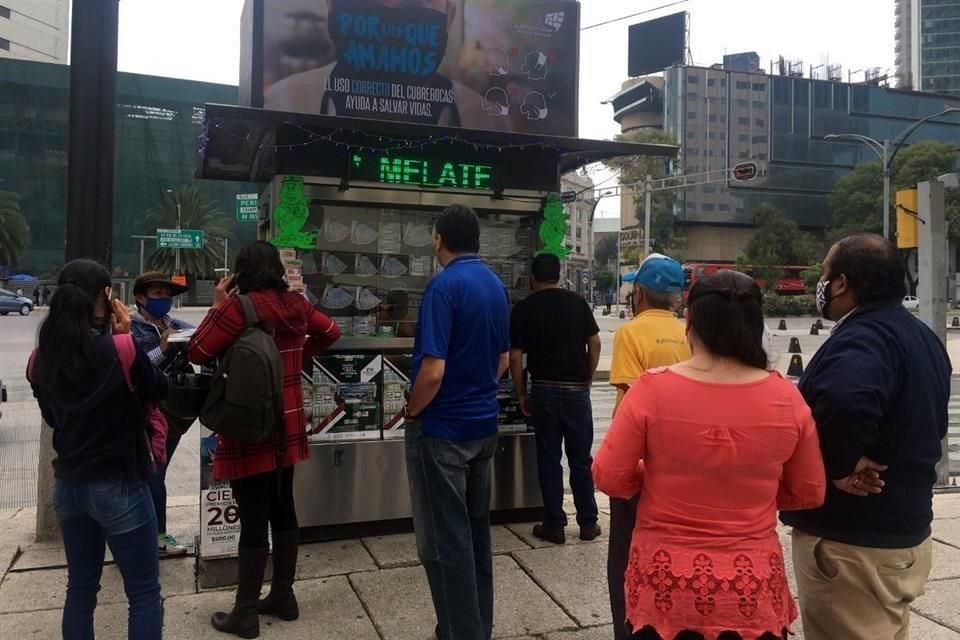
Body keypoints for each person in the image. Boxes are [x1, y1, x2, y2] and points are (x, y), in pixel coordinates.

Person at [593, 270, 826, 640]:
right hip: (751, 591)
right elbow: (810, 490)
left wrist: (651, 478)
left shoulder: (651, 389)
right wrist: (754, 490)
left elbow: (608, 476)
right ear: (754, 324)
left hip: (664, 587)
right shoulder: (786, 398)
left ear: (689, 321)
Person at [780, 234, 951, 640]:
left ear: (840, 283)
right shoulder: (920, 336)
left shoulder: (865, 336)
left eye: (824, 273)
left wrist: (841, 464)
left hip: (853, 543)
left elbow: (846, 399)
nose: (820, 283)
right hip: (903, 533)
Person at [188, 241, 341, 638]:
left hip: (249, 424)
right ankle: (283, 596)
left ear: (240, 274)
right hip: (287, 424)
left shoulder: (240, 308)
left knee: (253, 517)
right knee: (282, 505)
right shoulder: (296, 305)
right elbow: (332, 331)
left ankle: (245, 612)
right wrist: (298, 358)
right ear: (275, 269)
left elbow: (199, 350)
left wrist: (220, 303)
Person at [27, 259, 167, 640]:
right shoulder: (121, 348)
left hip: (69, 486)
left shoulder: (40, 360)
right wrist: (126, 336)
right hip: (119, 482)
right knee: (142, 592)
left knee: (81, 589)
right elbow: (158, 389)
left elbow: (54, 418)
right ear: (106, 296)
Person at [404, 205, 510, 640]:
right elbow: (503, 359)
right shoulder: (495, 285)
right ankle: (474, 626)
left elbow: (432, 371)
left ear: (438, 241)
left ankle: (458, 632)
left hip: (442, 431)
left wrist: (412, 411)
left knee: (443, 544)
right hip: (483, 427)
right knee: (475, 535)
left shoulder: (443, 287)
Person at [606, 253, 692, 640]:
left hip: (640, 458)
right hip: (680, 459)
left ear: (639, 292)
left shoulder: (630, 333)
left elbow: (628, 397)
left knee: (625, 548)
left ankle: (627, 628)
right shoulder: (690, 331)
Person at [264, 0, 510, 131]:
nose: (390, 7)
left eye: (414, 2)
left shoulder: (486, 120)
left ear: (450, 18)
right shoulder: (282, 103)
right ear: (332, 6)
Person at [509, 253, 601, 544]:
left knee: (549, 459)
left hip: (545, 390)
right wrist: (587, 375)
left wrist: (522, 392)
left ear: (533, 278)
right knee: (580, 460)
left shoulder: (524, 308)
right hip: (576, 392)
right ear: (559, 275)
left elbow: (514, 356)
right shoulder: (577, 303)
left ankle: (554, 524)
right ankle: (588, 523)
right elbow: (595, 342)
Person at [131, 271, 194, 557]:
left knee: (157, 470)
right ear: (140, 298)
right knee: (153, 472)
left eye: (167, 295)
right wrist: (163, 348)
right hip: (146, 413)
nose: (164, 300)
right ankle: (155, 537)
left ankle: (146, 534)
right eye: (157, 294)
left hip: (173, 413)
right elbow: (141, 371)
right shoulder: (132, 330)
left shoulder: (175, 325)